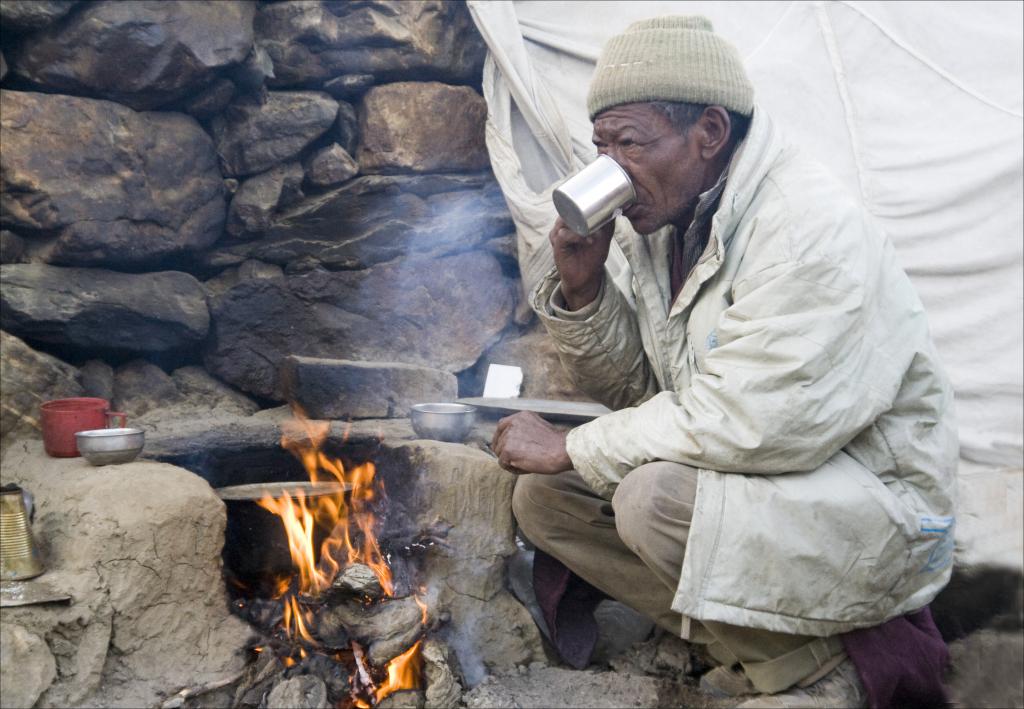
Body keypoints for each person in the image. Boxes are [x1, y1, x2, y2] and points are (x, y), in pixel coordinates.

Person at [490, 15, 958, 709]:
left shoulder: (805, 228)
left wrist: (573, 444)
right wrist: (586, 293)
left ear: (709, 133)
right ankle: (748, 646)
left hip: (874, 508)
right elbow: (652, 394)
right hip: (771, 484)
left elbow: (749, 420)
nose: (609, 167)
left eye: (630, 143)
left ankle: (826, 671)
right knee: (545, 502)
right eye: (602, 146)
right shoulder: (670, 222)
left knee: (650, 500)